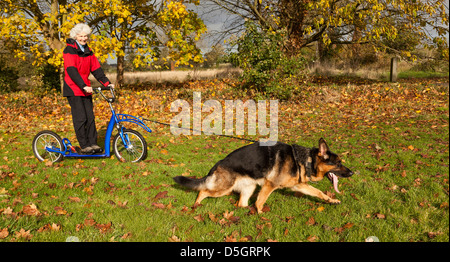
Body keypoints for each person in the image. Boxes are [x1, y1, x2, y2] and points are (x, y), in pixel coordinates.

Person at [63, 23, 113, 154]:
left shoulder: (88, 51)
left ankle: (93, 144)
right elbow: (71, 71)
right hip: (74, 88)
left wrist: (107, 83)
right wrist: (83, 85)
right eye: (80, 36)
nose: (84, 38)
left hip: (86, 88)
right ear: (75, 36)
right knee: (81, 118)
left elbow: (96, 69)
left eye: (85, 36)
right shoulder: (69, 50)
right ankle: (84, 145)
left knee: (90, 117)